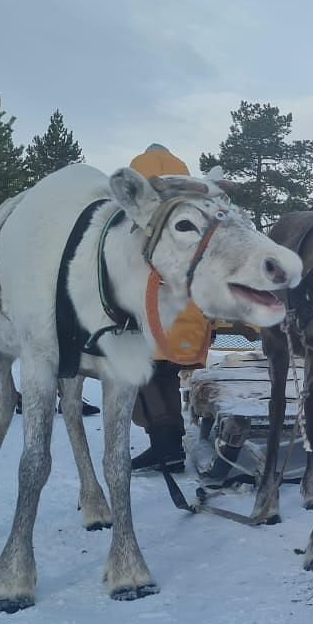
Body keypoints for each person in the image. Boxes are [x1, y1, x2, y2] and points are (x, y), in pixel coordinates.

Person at [128, 143, 194, 473]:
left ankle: (164, 447)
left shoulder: (143, 219)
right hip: (182, 314)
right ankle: (173, 448)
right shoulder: (189, 214)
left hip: (146, 308)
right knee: (167, 375)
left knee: (146, 378)